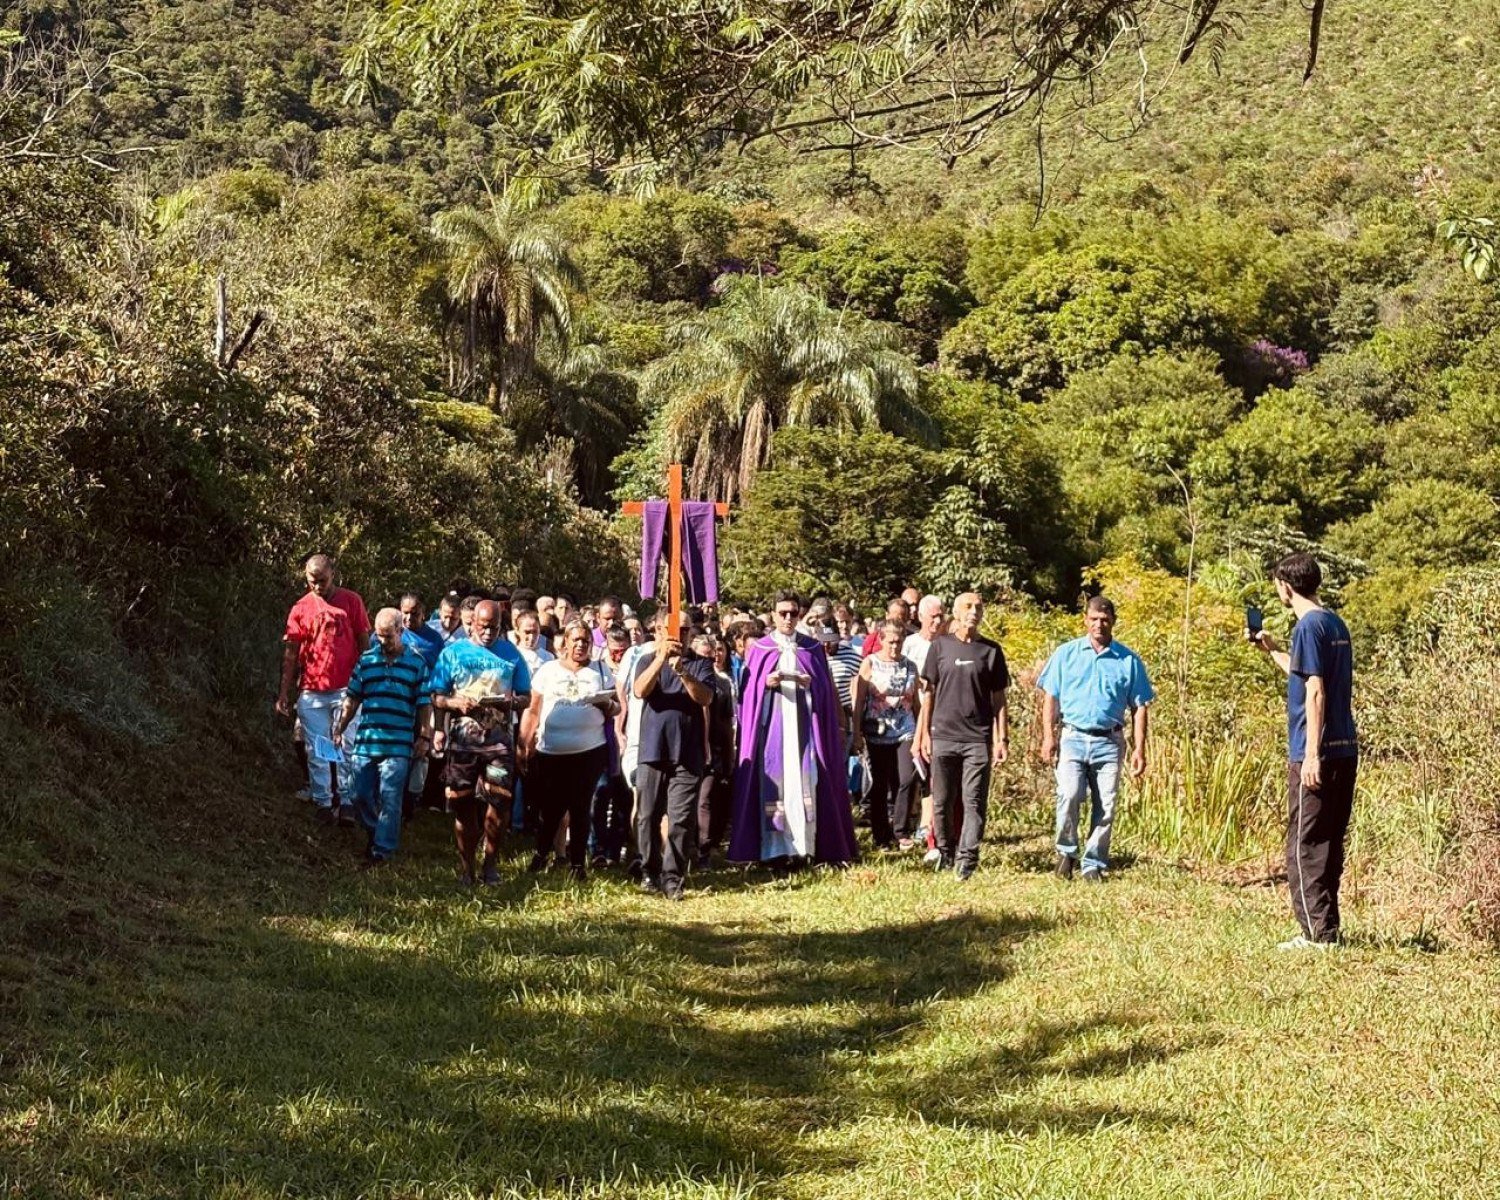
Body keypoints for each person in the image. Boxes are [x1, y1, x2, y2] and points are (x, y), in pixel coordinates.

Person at [1252, 552, 1357, 949]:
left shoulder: (1309, 627)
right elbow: (1307, 674)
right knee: (1329, 841)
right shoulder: (1334, 623)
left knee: (1304, 843)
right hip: (1345, 750)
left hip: (1316, 752)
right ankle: (1327, 928)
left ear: (1285, 586)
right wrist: (1274, 651)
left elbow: (1315, 691)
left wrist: (1311, 753)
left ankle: (1316, 935)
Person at [728, 591, 859, 867]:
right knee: (774, 787)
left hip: (805, 731)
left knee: (806, 783)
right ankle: (774, 851)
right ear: (773, 614)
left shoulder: (811, 648)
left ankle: (805, 846)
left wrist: (810, 683)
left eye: (793, 613)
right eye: (783, 613)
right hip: (772, 732)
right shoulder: (760, 649)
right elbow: (747, 696)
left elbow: (826, 689)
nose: (788, 618)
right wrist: (765, 683)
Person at [1037, 596, 1155, 883]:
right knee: (1069, 795)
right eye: (1093, 619)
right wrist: (1047, 737)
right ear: (1085, 620)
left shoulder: (1128, 661)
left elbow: (1140, 706)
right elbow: (1050, 697)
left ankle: (1094, 863)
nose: (1099, 624)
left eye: (1104, 619)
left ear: (1113, 621)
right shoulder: (1066, 654)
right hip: (1073, 737)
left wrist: (1139, 749)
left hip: (1109, 742)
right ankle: (1066, 851)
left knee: (1107, 805)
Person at [426, 600, 532, 886]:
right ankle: (466, 868)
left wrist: (512, 702)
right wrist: (453, 702)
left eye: (494, 627)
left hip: (498, 744)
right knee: (462, 804)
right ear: (471, 623)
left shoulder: (511, 654)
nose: (488, 633)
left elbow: (526, 696)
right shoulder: (453, 653)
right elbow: (435, 695)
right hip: (463, 742)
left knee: (498, 803)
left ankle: (491, 866)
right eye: (483, 626)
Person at [913, 592, 1009, 881]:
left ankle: (968, 857)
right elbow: (928, 694)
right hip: (942, 736)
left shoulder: (990, 651)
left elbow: (999, 699)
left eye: (979, 607)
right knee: (941, 801)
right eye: (968, 606)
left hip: (977, 739)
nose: (974, 611)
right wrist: (924, 735)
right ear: (955, 612)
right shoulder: (940, 647)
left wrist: (1001, 738)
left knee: (974, 801)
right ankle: (946, 851)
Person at [276, 553, 371, 826]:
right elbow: (291, 654)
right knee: (317, 749)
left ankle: (347, 799)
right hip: (313, 689)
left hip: (346, 688)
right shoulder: (301, 608)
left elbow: (364, 644)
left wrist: (366, 682)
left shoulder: (351, 601)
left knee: (346, 745)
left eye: (323, 581)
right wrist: (284, 693)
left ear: (334, 575)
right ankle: (323, 801)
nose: (318, 586)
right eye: (312, 581)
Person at [520, 621, 618, 880]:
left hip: (589, 749)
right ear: (565, 642)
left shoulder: (600, 670)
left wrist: (606, 704)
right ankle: (541, 854)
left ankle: (577, 865)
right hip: (552, 751)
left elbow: (617, 707)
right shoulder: (548, 670)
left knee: (581, 806)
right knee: (551, 808)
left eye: (586, 640)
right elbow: (533, 708)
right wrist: (524, 741)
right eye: (576, 640)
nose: (580, 645)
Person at [333, 609, 431, 867]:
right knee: (358, 793)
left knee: (390, 798)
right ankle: (376, 832)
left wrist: (424, 736)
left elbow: (423, 704)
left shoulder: (417, 663)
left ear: (401, 632)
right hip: (367, 740)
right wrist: (339, 727)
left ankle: (381, 851)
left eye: (388, 637)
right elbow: (353, 698)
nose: (383, 642)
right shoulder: (366, 660)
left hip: (398, 743)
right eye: (379, 636)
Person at [631, 623, 717, 898]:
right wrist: (660, 660)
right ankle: (649, 870)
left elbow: (704, 697)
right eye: (669, 628)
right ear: (657, 630)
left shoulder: (701, 663)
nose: (676, 634)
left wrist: (681, 670)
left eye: (683, 629)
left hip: (687, 752)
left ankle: (672, 877)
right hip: (652, 749)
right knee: (647, 815)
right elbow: (640, 690)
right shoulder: (645, 659)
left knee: (681, 818)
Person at [850, 619, 919, 850]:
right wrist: (857, 731)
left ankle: (901, 829)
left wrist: (921, 731)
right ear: (880, 640)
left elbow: (916, 701)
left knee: (906, 778)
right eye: (890, 642)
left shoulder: (910, 666)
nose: (895, 647)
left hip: (905, 729)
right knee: (880, 784)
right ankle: (881, 835)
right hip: (877, 730)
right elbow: (859, 700)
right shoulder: (870, 663)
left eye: (899, 642)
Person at [590, 625, 635, 868]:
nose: (618, 657)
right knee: (600, 793)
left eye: (623, 651)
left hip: (629, 739)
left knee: (623, 797)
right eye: (614, 652)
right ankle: (596, 846)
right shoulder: (599, 668)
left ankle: (615, 849)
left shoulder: (634, 667)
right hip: (603, 739)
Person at [694, 633, 738, 869]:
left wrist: (729, 754)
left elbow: (728, 721)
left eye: (710, 658)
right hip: (689, 745)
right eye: (701, 658)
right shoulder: (687, 678)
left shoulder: (722, 683)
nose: (706, 663)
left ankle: (704, 851)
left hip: (715, 748)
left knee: (705, 799)